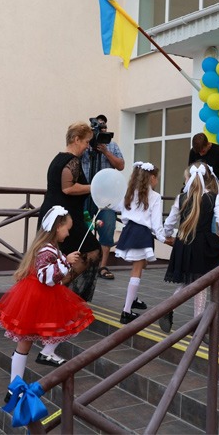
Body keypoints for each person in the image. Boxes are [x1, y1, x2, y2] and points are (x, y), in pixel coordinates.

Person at [0, 206, 94, 400]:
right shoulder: (47, 249)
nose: (68, 233)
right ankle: (25, 375)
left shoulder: (49, 248)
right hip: (38, 297)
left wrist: (64, 261)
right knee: (49, 331)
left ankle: (15, 386)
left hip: (38, 296)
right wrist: (66, 261)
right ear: (58, 227)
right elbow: (46, 277)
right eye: (67, 229)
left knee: (28, 342)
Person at [159, 162, 219, 334]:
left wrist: (167, 235)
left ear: (189, 179)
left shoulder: (181, 197)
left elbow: (170, 221)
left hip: (183, 243)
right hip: (201, 244)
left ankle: (168, 309)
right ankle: (198, 322)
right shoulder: (214, 197)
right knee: (200, 284)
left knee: (188, 282)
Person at [38, 121, 102, 301]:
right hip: (64, 218)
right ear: (76, 139)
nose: (88, 146)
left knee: (63, 254)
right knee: (92, 250)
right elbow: (68, 188)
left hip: (58, 215)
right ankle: (58, 288)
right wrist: (95, 187)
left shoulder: (58, 159)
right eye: (86, 142)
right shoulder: (71, 160)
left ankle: (56, 290)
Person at [114, 162, 165, 324]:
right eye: (156, 178)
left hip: (129, 231)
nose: (157, 181)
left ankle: (133, 298)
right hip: (141, 234)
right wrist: (164, 238)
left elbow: (118, 208)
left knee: (141, 265)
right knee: (137, 269)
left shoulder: (129, 193)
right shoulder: (154, 196)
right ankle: (126, 311)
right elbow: (156, 223)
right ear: (151, 178)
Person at [80, 114, 125, 280]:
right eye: (99, 128)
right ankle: (82, 265)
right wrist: (87, 145)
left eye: (104, 127)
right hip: (84, 193)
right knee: (82, 227)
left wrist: (106, 152)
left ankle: (103, 266)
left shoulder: (111, 145)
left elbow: (121, 165)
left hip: (106, 197)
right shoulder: (85, 144)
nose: (102, 130)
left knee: (107, 228)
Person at [188, 133, 219, 213]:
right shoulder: (193, 152)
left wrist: (213, 190)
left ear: (207, 144)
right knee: (202, 219)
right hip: (200, 193)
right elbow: (190, 174)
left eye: (203, 151)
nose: (200, 154)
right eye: (198, 152)